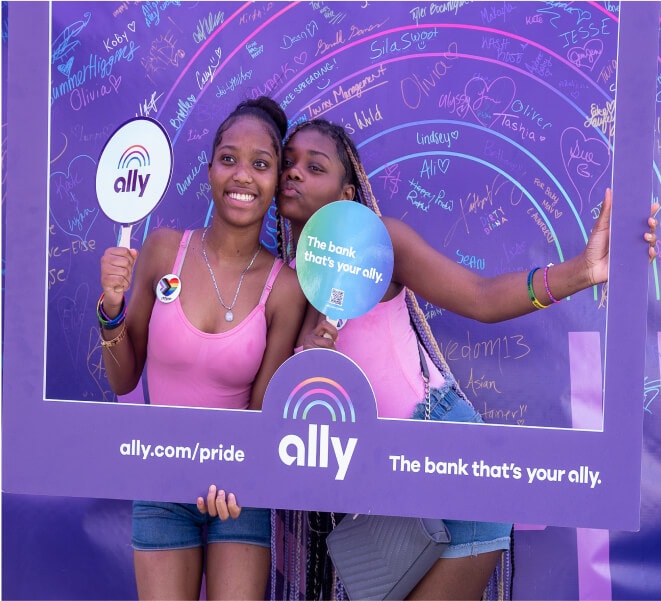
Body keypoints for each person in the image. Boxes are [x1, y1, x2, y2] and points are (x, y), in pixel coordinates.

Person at [273, 118, 659, 600]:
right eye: (287, 163)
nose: (294, 173)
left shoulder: (379, 244)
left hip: (446, 467)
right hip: (383, 495)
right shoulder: (283, 284)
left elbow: (480, 297)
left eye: (315, 166)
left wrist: (582, 271)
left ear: (347, 192)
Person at [98, 96, 306, 600]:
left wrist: (240, 475)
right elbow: (124, 379)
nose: (242, 176)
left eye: (261, 164)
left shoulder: (286, 287)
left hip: (238, 492)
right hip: (161, 483)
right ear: (209, 169)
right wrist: (110, 306)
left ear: (276, 182)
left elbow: (263, 411)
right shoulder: (164, 250)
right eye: (229, 159)